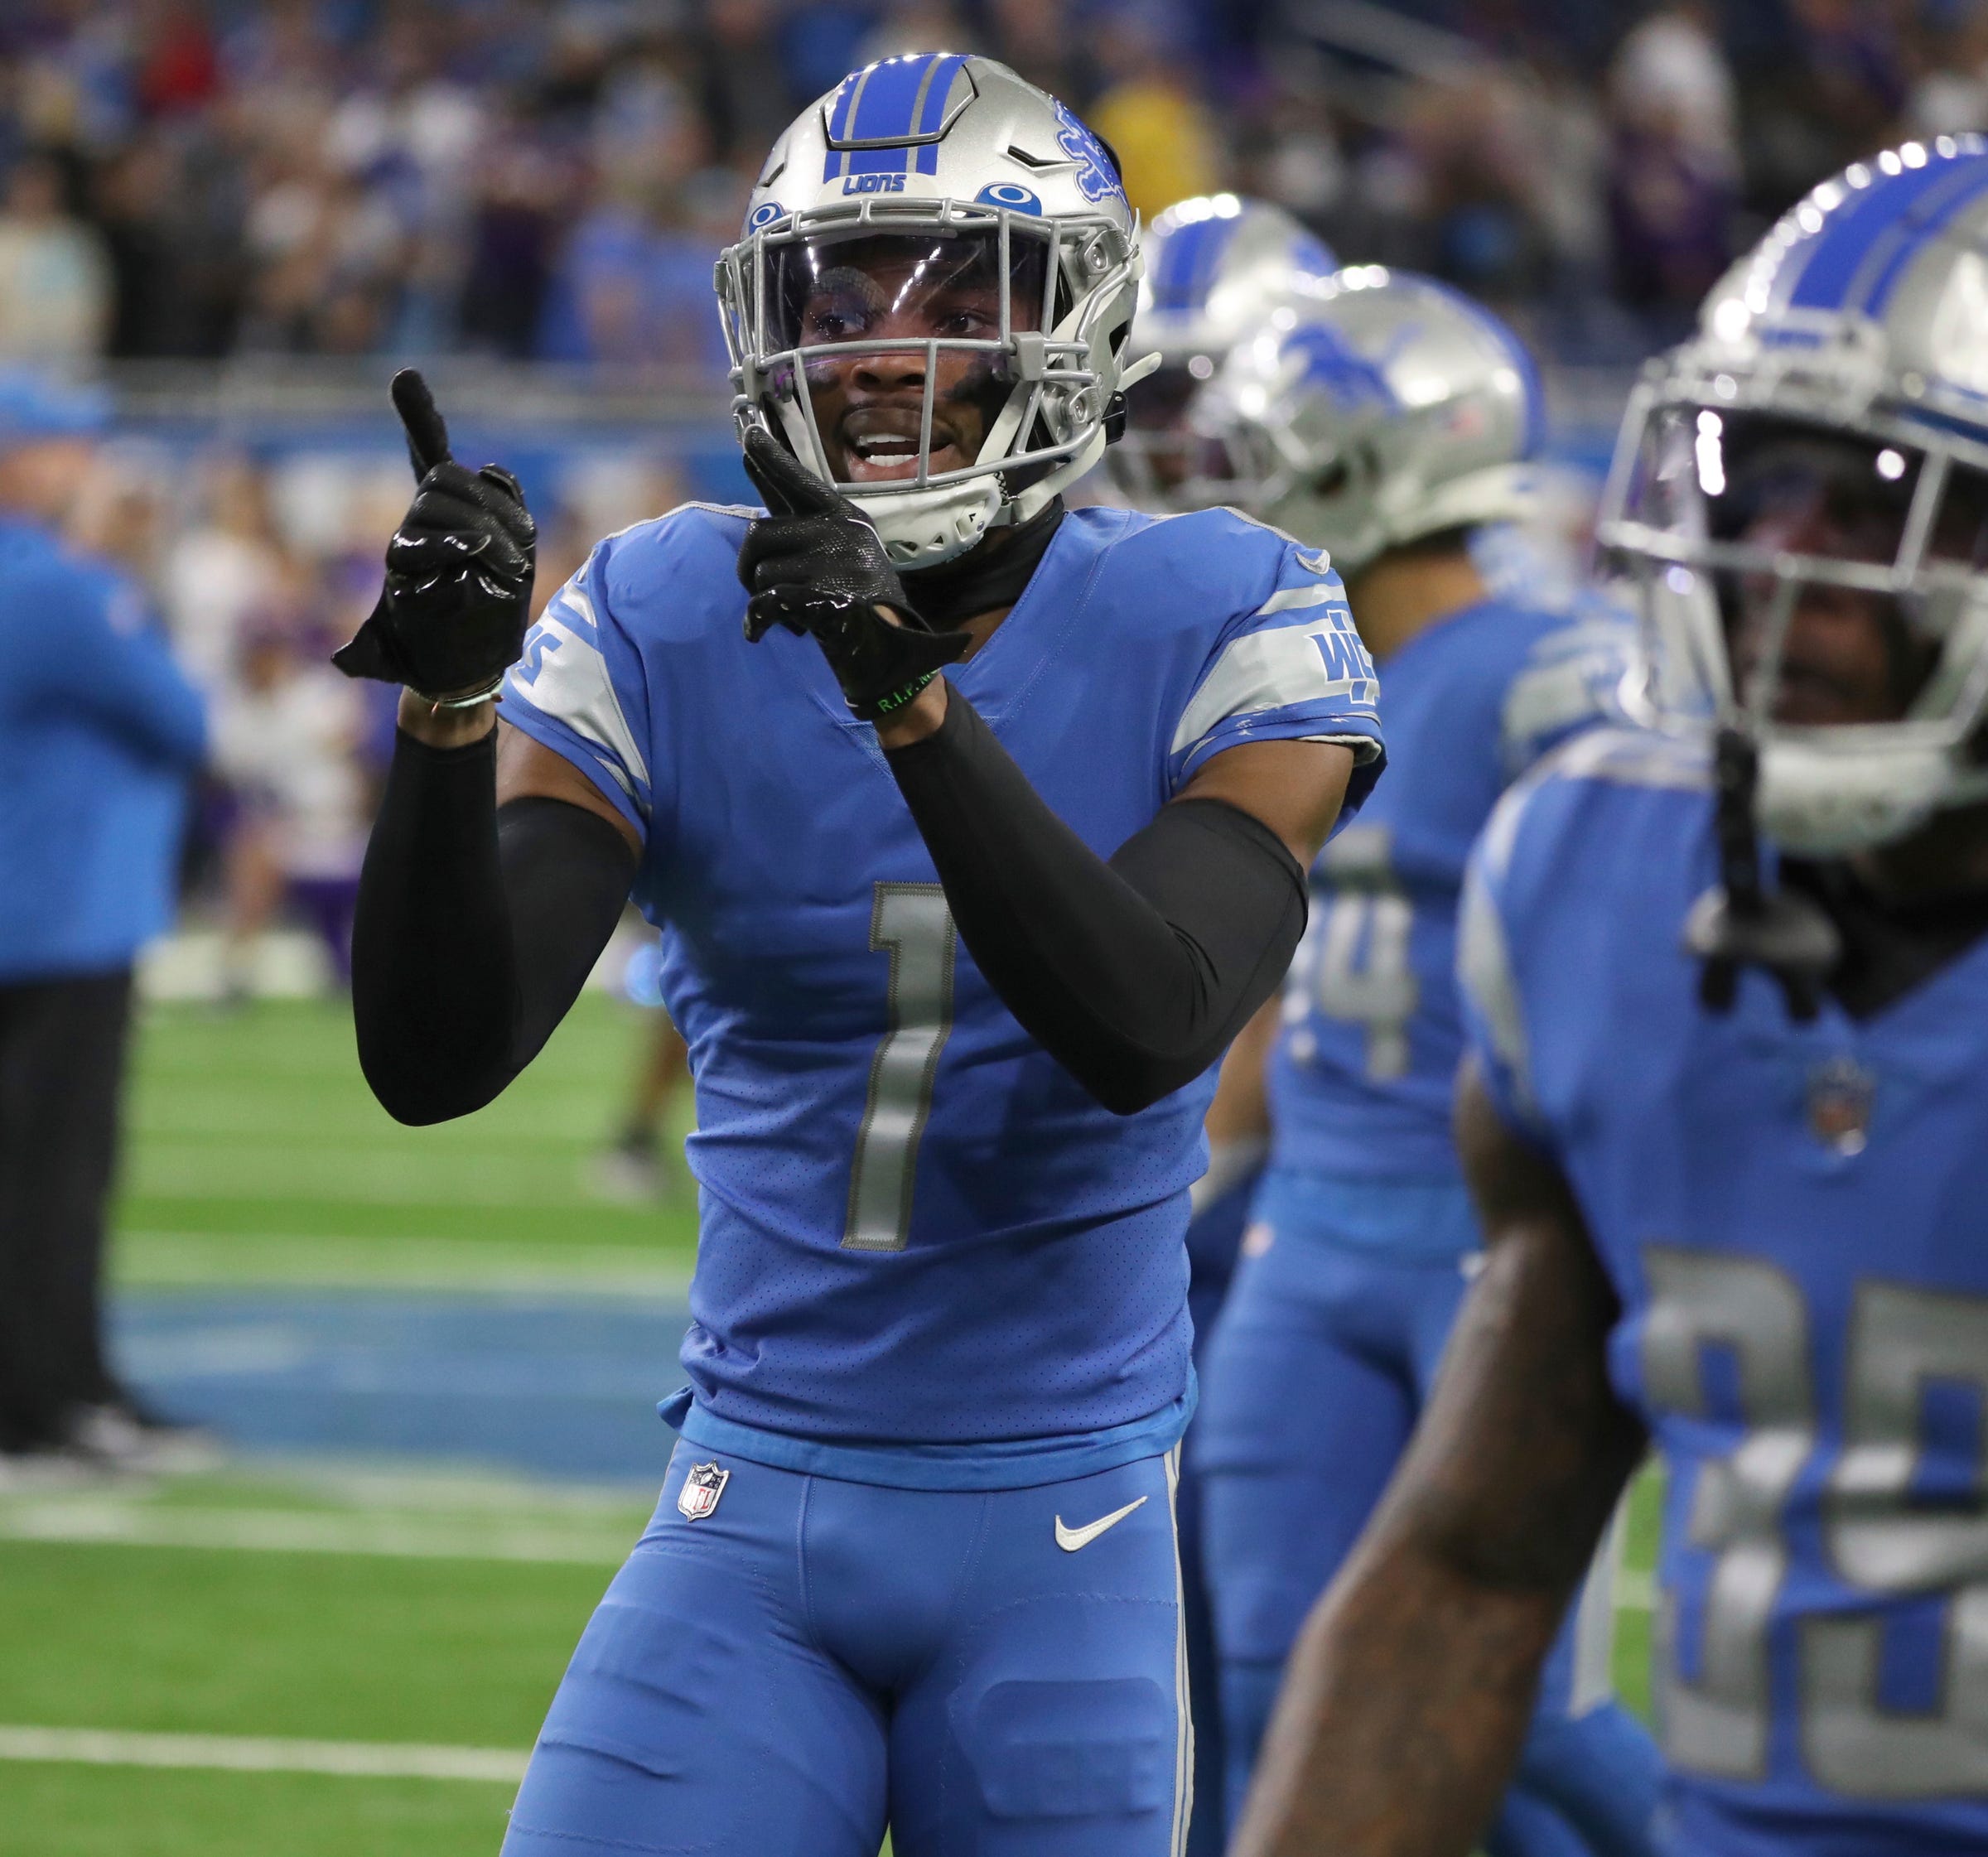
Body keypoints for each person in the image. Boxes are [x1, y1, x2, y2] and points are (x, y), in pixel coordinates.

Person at [334, 54, 1385, 1857]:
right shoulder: (666, 605)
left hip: (1062, 1527)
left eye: (955, 297)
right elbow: (439, 1055)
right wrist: (447, 711)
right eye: (839, 303)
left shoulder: (1226, 605)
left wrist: (907, 696)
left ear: (1077, 329)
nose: (883, 351)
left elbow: (1146, 1017)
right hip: (746, 1506)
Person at [1232, 137, 1988, 1857]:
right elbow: (1471, 1569)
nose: (1787, 562)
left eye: (1877, 497)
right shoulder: (1603, 884)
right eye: (1760, 487)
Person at [1178, 268, 1662, 1855]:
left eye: (1270, 447)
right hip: (1309, 1230)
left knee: (1526, 1721)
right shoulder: (1299, 670)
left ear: (1373, 457)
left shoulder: (1556, 665)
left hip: (1494, 1242)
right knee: (1282, 1691)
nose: (1240, 483)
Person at [1104, 189, 1340, 1857]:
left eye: (1202, 400)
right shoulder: (1109, 601)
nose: (1164, 444)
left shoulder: (1340, 627)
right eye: (1144, 399)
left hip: (1333, 1191)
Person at [0, 370, 210, 1479]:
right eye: (63, 448)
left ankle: (64, 1386)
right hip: (64, 920)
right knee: (56, 1177)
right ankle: (51, 1399)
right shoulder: (57, 588)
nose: (83, 469)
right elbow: (182, 716)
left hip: (30, 913)